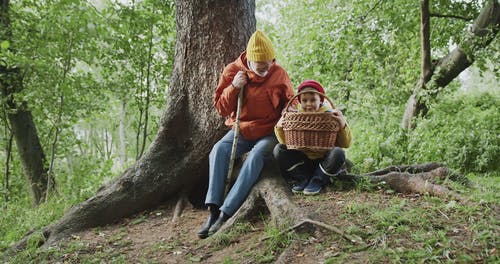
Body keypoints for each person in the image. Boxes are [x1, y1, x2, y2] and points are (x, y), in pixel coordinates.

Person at [197, 30, 294, 239]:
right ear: (249, 61)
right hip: (241, 129)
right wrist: (234, 87)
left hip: (269, 131)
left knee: (257, 155)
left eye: (269, 63)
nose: (267, 69)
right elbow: (222, 108)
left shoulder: (279, 73)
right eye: (261, 66)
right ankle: (213, 210)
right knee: (218, 150)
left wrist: (290, 112)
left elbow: (290, 102)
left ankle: (226, 212)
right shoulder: (233, 71)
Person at [273, 80, 352, 195]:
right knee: (279, 149)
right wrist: (280, 126)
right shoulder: (297, 116)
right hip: (303, 161)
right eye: (304, 101)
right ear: (300, 101)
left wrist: (342, 123)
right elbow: (286, 142)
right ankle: (303, 179)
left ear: (321, 100)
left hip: (324, 161)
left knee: (338, 153)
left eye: (313, 100)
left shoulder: (330, 115)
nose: (309, 104)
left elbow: (346, 144)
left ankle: (317, 181)